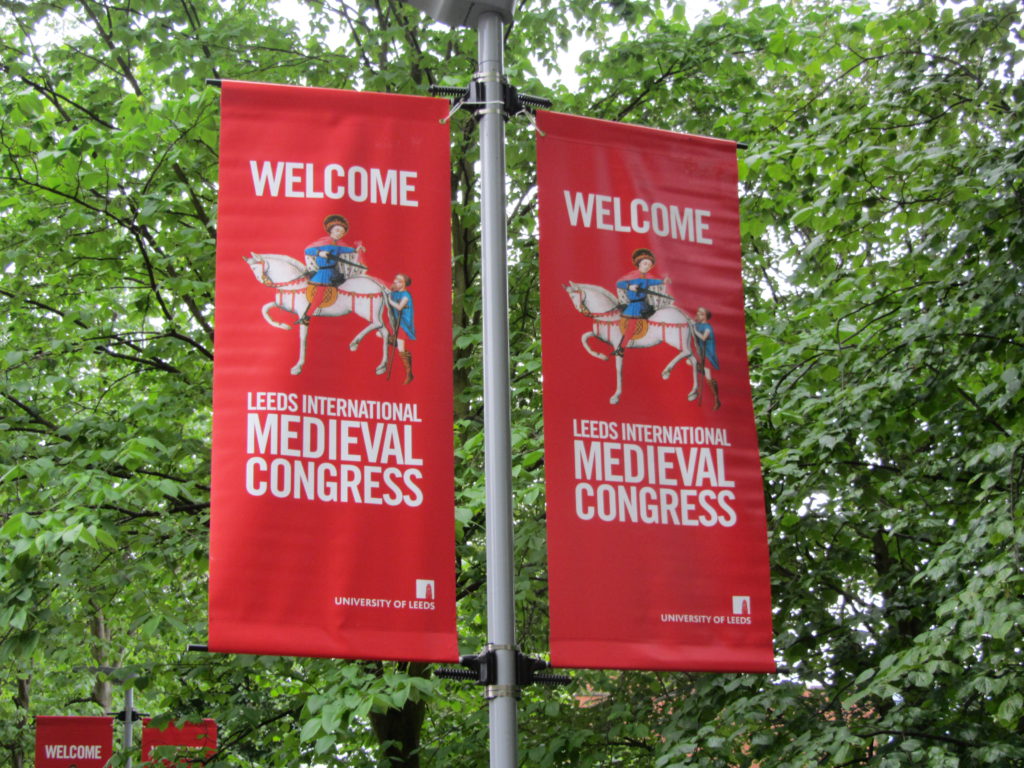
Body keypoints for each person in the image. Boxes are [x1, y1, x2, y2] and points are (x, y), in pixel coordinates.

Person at [297, 214, 366, 325]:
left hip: (330, 272)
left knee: (324, 291)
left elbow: (348, 250)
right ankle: (306, 314)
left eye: (342, 232)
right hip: (321, 272)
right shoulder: (321, 243)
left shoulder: (338, 246)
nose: (339, 233)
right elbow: (308, 251)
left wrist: (356, 249)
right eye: (337, 230)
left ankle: (307, 316)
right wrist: (320, 253)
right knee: (313, 291)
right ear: (331, 230)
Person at [615, 248, 666, 356]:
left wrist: (663, 281)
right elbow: (619, 284)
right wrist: (629, 286)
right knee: (630, 325)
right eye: (645, 263)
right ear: (639, 264)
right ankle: (622, 347)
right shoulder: (631, 276)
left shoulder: (647, 278)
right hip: (633, 305)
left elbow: (654, 281)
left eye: (649, 265)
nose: (647, 266)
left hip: (642, 304)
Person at [387, 273, 415, 384]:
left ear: (403, 284)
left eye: (399, 281)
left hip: (403, 323)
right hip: (394, 321)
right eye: (395, 280)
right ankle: (395, 341)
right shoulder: (394, 293)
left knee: (401, 349)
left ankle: (409, 373)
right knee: (380, 334)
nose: (395, 282)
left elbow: (399, 307)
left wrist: (389, 300)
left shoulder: (406, 295)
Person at [693, 306, 721, 409]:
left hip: (707, 352)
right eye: (698, 313)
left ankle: (716, 399)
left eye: (701, 314)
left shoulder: (707, 327)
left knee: (708, 376)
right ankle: (703, 372)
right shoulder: (697, 325)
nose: (698, 315)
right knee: (689, 362)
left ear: (705, 317)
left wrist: (695, 332)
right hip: (700, 351)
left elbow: (704, 338)